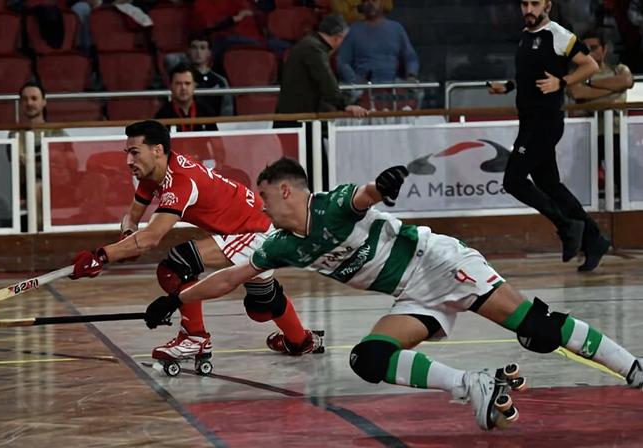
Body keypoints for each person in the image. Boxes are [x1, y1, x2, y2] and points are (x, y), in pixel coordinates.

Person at [144, 156, 643, 430]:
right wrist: (177, 298)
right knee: (370, 358)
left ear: (289, 192)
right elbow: (231, 276)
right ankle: (474, 385)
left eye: (268, 196)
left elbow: (364, 196)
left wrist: (383, 185)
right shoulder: (280, 245)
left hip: (441, 265)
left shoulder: (332, 205)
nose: (263, 205)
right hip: (411, 294)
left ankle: (633, 368)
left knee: (536, 329)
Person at [69, 121, 323, 366]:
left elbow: (151, 237)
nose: (128, 161)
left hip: (254, 229)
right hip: (250, 226)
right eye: (127, 153)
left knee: (179, 263)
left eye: (134, 153)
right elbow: (133, 216)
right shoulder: (152, 175)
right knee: (261, 307)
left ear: (157, 150)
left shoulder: (181, 181)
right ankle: (300, 341)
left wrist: (100, 256)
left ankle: (195, 337)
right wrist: (127, 235)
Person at [487, 0, 608, 272]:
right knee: (551, 186)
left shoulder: (559, 35)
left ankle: (567, 227)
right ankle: (594, 239)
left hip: (545, 122)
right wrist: (507, 87)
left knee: (513, 180)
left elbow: (590, 66)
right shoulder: (525, 36)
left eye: (534, 4)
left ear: (547, 6)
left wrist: (562, 82)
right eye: (524, 4)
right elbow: (528, 77)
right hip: (529, 121)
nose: (528, 9)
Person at [566, 28, 634, 197]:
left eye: (594, 47)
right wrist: (612, 91)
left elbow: (626, 80)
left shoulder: (619, 69)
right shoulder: (575, 75)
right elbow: (577, 93)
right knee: (579, 184)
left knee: (626, 180)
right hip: (588, 134)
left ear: (604, 49)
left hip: (618, 132)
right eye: (585, 49)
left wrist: (589, 84)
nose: (590, 52)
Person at [275, 13, 367, 119]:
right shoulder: (314, 48)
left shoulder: (310, 43)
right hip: (297, 117)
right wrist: (345, 105)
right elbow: (326, 80)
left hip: (296, 115)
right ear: (338, 37)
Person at [9, 81, 70, 231]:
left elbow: (69, 163)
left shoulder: (58, 132)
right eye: (25, 99)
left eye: (34, 98)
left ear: (44, 102)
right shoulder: (15, 135)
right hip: (27, 185)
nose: (29, 103)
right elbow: (18, 167)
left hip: (58, 183)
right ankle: (39, 239)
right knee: (37, 187)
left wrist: (39, 163)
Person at [337, 0, 419, 85]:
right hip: (363, 90)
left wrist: (411, 75)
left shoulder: (397, 29)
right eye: (366, 1)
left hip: (392, 87)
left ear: (382, 2)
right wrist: (355, 81)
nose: (370, 4)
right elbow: (342, 62)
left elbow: (411, 57)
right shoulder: (353, 31)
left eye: (374, 0)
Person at [154, 63, 219, 132]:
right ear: (170, 86)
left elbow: (216, 141)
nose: (183, 88)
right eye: (178, 83)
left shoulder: (206, 112)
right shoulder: (162, 116)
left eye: (187, 83)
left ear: (194, 86)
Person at [187, 35, 234, 117]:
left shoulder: (220, 81)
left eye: (202, 48)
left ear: (209, 52)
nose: (198, 52)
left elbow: (227, 111)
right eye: (194, 48)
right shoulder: (181, 80)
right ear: (188, 51)